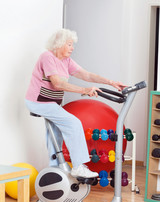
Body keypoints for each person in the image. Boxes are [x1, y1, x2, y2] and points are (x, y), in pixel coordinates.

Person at [25, 28, 126, 179]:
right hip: (38, 102)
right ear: (59, 44)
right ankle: (78, 166)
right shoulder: (47, 57)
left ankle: (55, 167)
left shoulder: (66, 60)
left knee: (57, 132)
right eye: (70, 44)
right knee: (74, 123)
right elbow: (57, 84)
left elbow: (86, 75)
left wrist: (111, 82)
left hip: (51, 103)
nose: (72, 48)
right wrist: (84, 90)